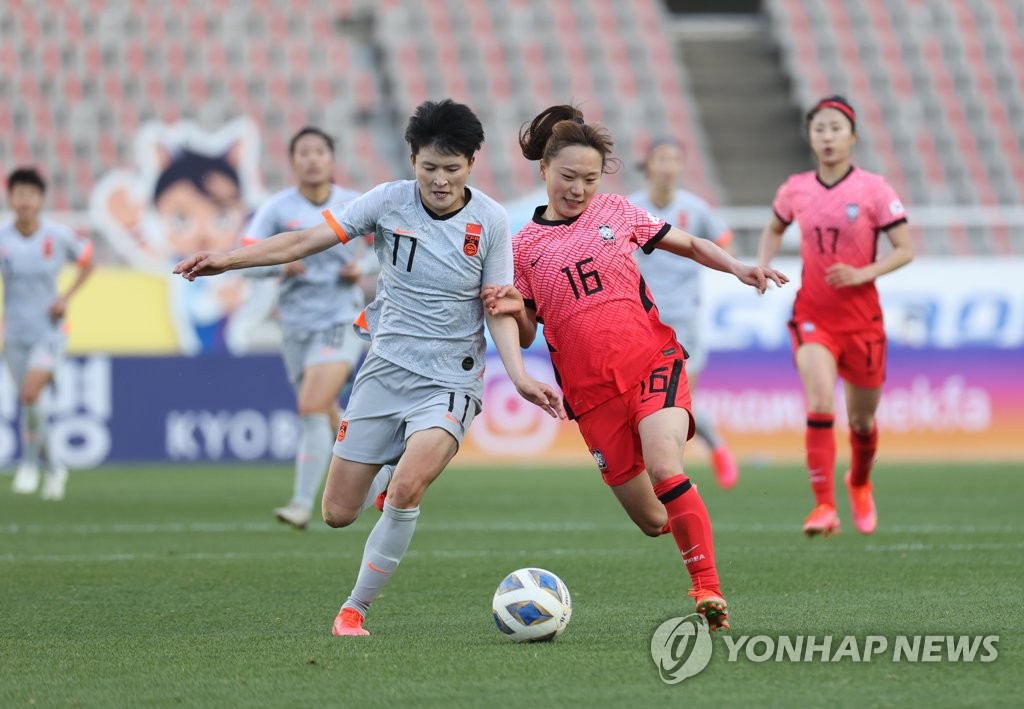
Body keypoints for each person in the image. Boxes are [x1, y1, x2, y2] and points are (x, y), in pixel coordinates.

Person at [173, 99, 564, 636]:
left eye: (452, 169)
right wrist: (227, 260)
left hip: (452, 378)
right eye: (429, 168)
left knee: (407, 491)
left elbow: (498, 305)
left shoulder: (491, 221)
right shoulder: (387, 202)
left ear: (471, 163)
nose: (441, 181)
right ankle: (386, 469)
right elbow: (303, 240)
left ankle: (353, 609)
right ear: (412, 160)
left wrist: (519, 377)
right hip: (384, 371)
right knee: (337, 513)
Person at [483, 105, 788, 630]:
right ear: (544, 172)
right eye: (569, 177)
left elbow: (689, 243)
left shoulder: (617, 213)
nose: (579, 189)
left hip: (653, 363)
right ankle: (691, 521)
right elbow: (530, 329)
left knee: (666, 465)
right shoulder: (523, 248)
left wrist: (737, 266)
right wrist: (513, 312)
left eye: (590, 179)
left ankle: (708, 590)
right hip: (593, 397)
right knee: (652, 519)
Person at [756, 95, 913, 537]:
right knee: (821, 402)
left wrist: (864, 272)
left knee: (862, 422)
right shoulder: (795, 188)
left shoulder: (874, 190)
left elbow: (906, 250)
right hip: (813, 316)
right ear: (810, 136)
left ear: (852, 137)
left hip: (862, 322)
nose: (827, 136)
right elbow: (773, 227)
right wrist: (762, 263)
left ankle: (859, 482)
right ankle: (824, 506)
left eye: (835, 128)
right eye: (819, 128)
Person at [243, 126, 375, 530]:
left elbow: (389, 250)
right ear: (293, 161)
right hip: (296, 326)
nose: (313, 158)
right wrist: (279, 265)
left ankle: (301, 504)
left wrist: (362, 268)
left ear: (332, 160)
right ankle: (373, 483)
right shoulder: (277, 209)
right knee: (322, 412)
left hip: (340, 319)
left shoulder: (354, 204)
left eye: (320, 151)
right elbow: (248, 260)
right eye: (304, 152)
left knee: (311, 406)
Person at [628, 137, 739, 489]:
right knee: (649, 402)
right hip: (643, 321)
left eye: (674, 159)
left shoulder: (696, 208)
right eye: (661, 158)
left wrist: (731, 267)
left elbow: (724, 244)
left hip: (685, 319)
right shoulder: (631, 208)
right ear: (648, 165)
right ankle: (694, 459)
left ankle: (697, 462)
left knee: (679, 400)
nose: (667, 166)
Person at [2, 167, 94, 500]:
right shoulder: (3, 238)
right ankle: (54, 466)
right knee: (32, 403)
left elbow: (88, 261)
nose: (24, 200)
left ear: (40, 199)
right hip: (15, 332)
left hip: (50, 331)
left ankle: (28, 465)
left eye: (31, 194)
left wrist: (65, 298)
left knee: (29, 393)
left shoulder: (57, 235)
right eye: (19, 194)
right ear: (10, 197)